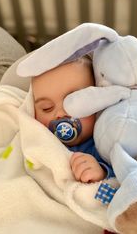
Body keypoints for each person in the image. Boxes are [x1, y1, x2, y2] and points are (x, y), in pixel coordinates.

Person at [31, 55, 115, 183]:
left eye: (73, 101)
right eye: (47, 108)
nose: (60, 114)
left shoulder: (106, 145)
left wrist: (102, 174)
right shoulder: (34, 143)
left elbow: (127, 182)